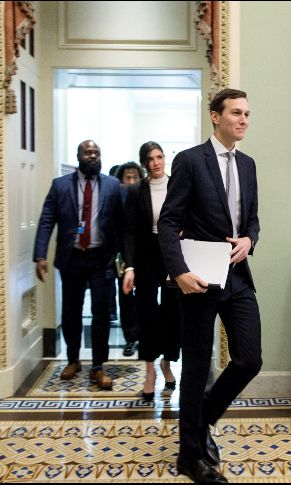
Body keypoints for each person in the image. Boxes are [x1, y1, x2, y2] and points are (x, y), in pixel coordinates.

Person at [158, 88, 262, 484]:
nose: (244, 120)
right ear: (215, 117)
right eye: (236, 113)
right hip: (198, 280)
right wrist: (179, 272)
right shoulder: (189, 161)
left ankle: (200, 423)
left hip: (238, 277)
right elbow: (168, 222)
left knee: (249, 359)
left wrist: (250, 239)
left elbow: (252, 220)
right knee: (197, 367)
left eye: (247, 114)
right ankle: (190, 457)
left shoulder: (249, 165)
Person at [33, 140, 122, 388]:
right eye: (88, 152)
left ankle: (98, 366)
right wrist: (40, 255)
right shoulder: (60, 186)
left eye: (96, 152)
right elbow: (46, 220)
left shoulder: (113, 186)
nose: (93, 156)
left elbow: (123, 226)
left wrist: (125, 262)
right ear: (78, 156)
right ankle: (73, 359)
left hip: (101, 259)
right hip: (72, 258)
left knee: (101, 313)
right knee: (71, 311)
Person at [121, 142, 181, 402]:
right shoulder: (136, 191)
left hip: (172, 255)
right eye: (151, 158)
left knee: (172, 312)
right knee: (147, 313)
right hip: (146, 257)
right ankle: (149, 372)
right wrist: (130, 266)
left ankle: (167, 363)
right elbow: (130, 230)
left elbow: (189, 216)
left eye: (160, 157)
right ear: (144, 163)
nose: (157, 162)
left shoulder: (178, 185)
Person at [113, 161, 145, 357]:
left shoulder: (144, 197)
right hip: (122, 257)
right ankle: (130, 338)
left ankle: (144, 336)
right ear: (121, 180)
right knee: (125, 299)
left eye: (135, 177)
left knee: (143, 298)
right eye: (128, 178)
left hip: (143, 256)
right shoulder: (115, 198)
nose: (132, 181)